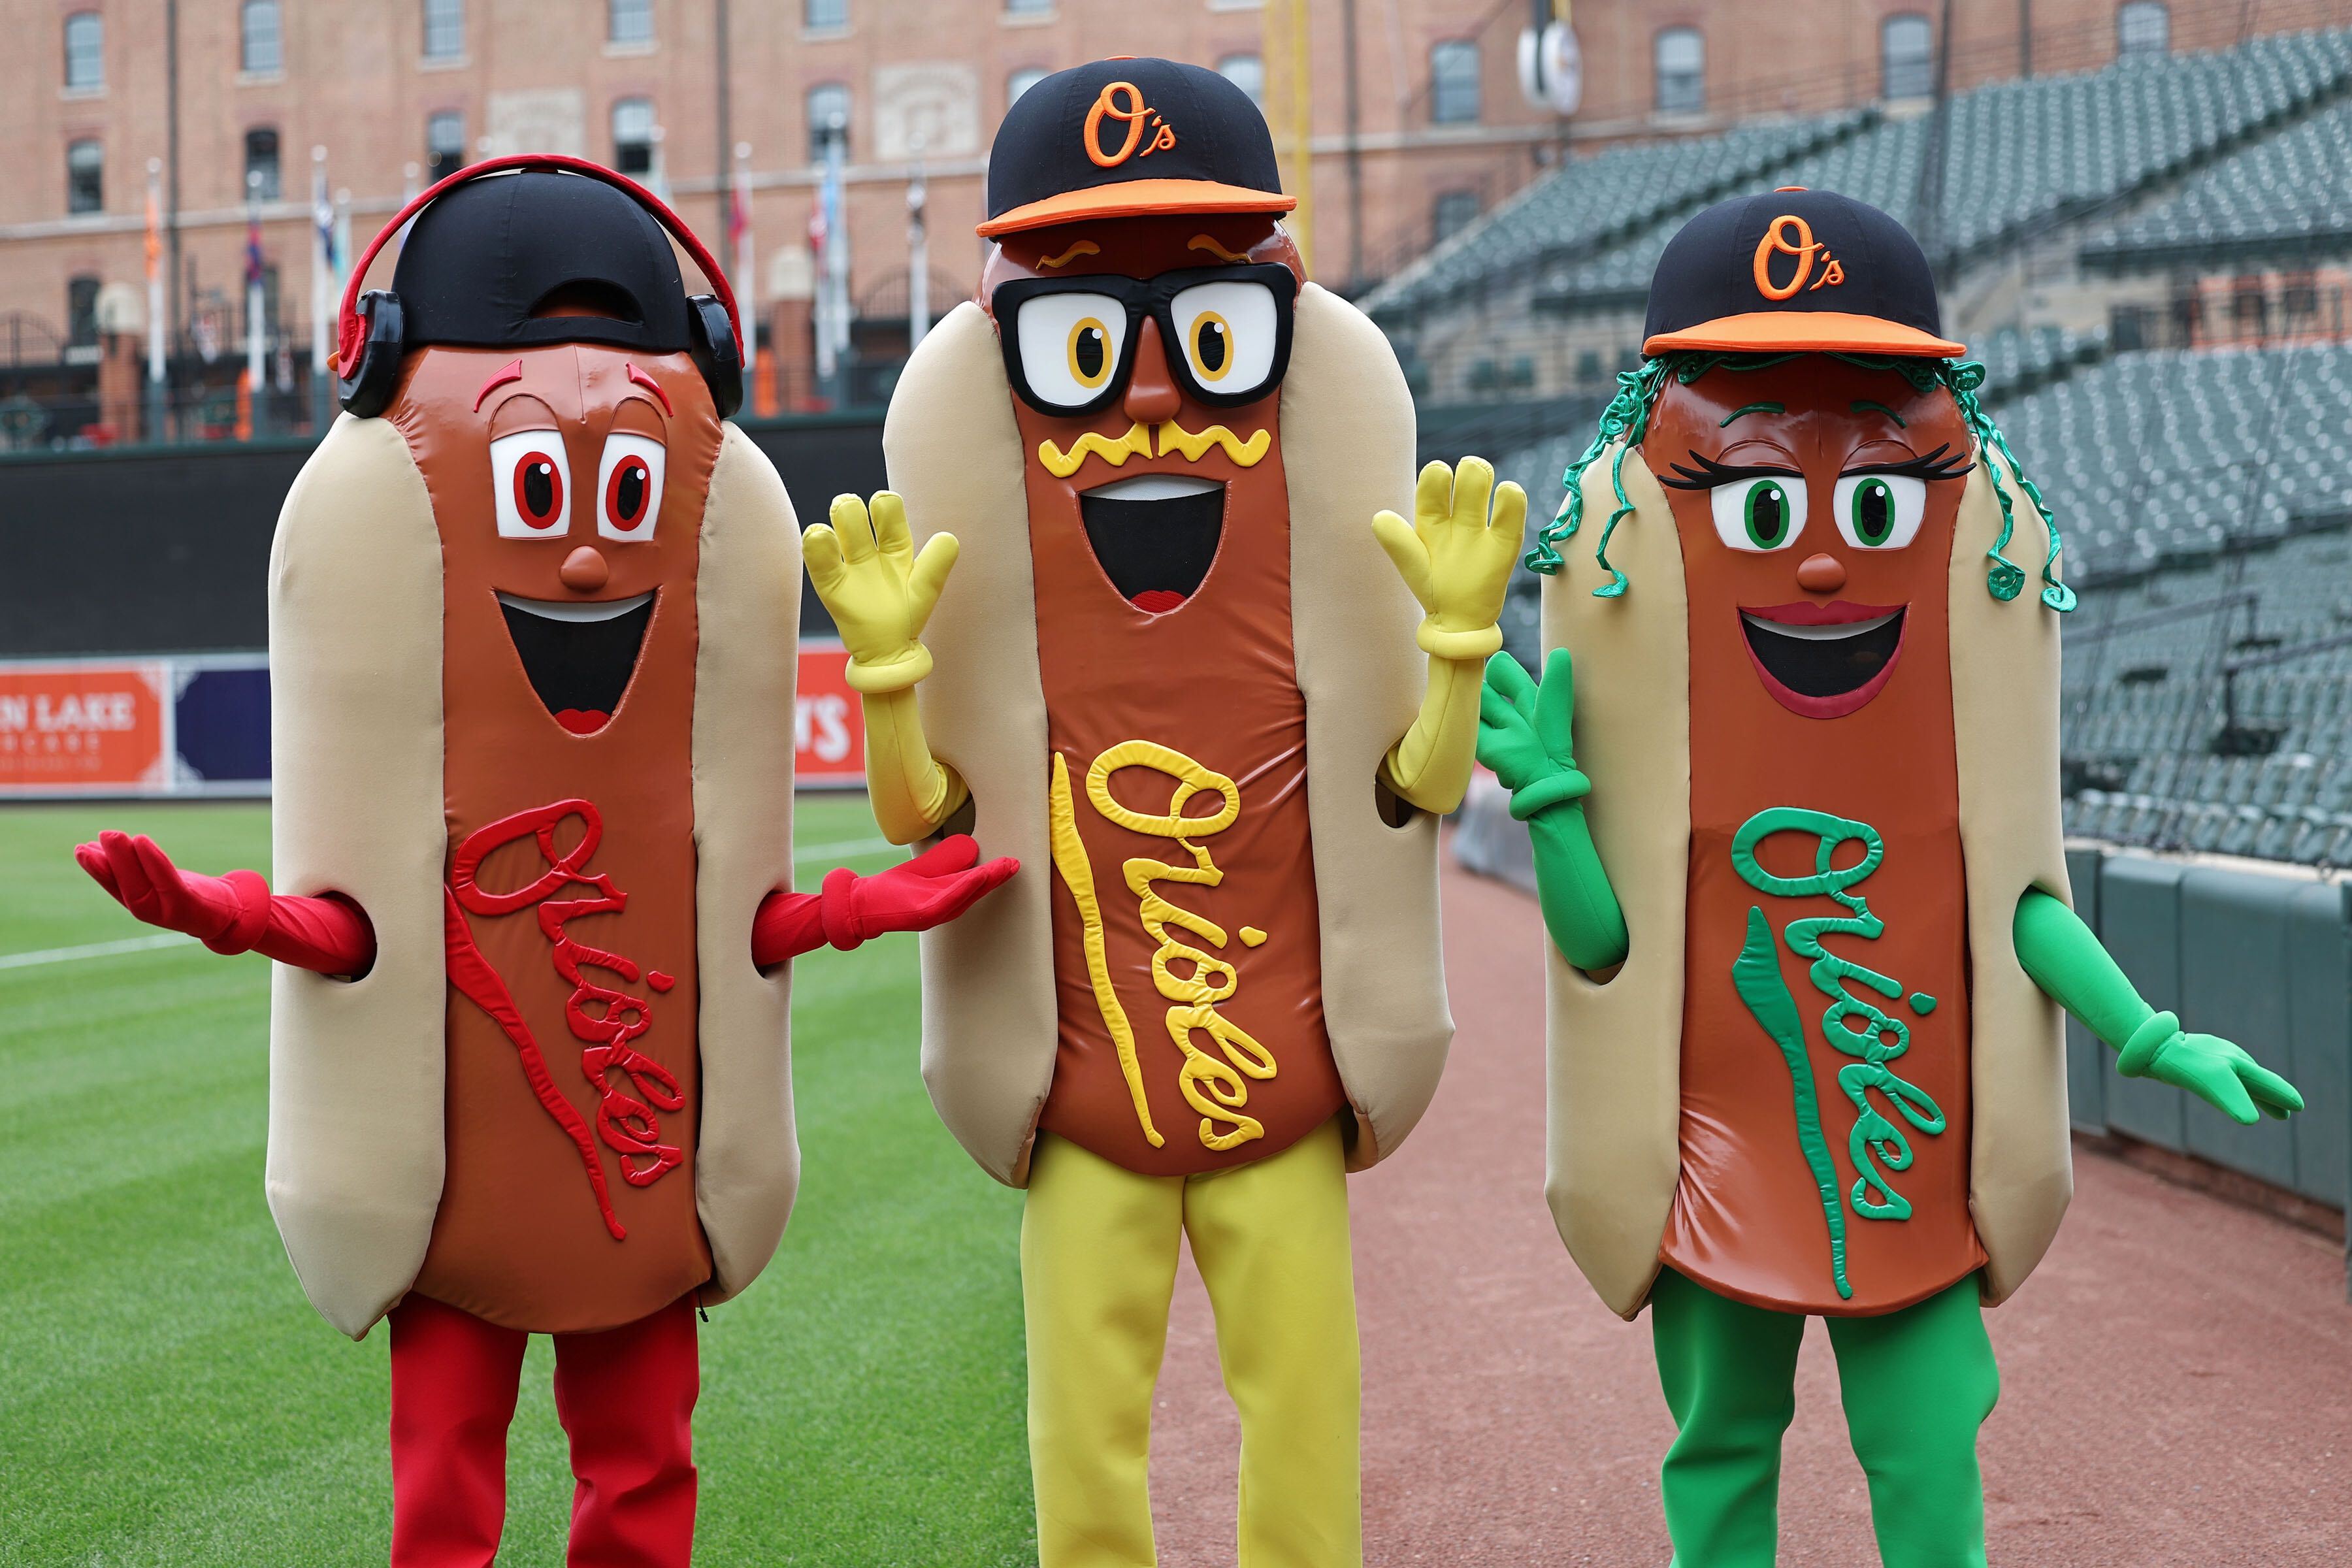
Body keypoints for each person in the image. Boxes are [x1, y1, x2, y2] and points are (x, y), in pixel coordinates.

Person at [75, 156, 1014, 1568]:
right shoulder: (409, 641)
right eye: (537, 488)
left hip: (638, 1184)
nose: (582, 559)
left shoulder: (695, 649)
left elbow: (742, 925)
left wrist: (870, 903)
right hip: (457, 1193)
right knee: (446, 1475)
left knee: (642, 1463)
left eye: (624, 491)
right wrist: (216, 911)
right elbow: (352, 934)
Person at [1480, 186, 2304, 1568]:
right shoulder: (1659, 694)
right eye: (1758, 502)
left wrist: (2154, 1037)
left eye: (1873, 500)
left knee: (1927, 1449)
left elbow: (2021, 912)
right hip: (1714, 1152)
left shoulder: (1955, 696)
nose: (1817, 556)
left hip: (1905, 1161)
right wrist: (1554, 803)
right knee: (1721, 1444)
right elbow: (1606, 949)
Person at [804, 58, 1519, 1567]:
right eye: (1078, 339)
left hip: (1277, 1086)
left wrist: (1457, 649)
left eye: (1208, 332)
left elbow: (1416, 791)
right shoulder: (998, 572)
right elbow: (931, 821)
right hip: (1084, 1098)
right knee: (1083, 1445)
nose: (1142, 394)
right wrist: (888, 679)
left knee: (1306, 1418)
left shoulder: (1314, 559)